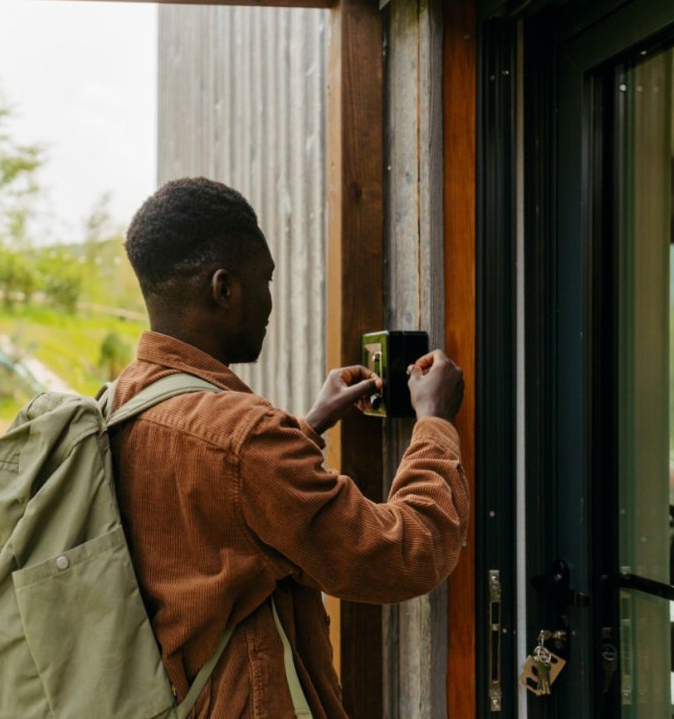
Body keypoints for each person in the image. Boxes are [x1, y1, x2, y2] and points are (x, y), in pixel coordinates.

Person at [110, 177, 469, 718]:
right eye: (266, 279)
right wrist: (434, 423)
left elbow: (224, 509)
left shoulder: (123, 402)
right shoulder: (244, 439)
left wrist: (309, 425)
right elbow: (403, 554)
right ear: (223, 288)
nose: (270, 302)